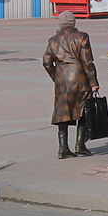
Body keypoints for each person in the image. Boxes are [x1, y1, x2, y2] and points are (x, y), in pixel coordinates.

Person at [42, 11, 100, 159]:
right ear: (73, 23)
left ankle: (63, 148)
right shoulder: (82, 37)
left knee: (62, 112)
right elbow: (88, 62)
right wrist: (93, 82)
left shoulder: (53, 40)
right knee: (82, 110)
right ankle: (80, 145)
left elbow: (46, 62)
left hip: (62, 80)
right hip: (80, 78)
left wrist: (56, 76)